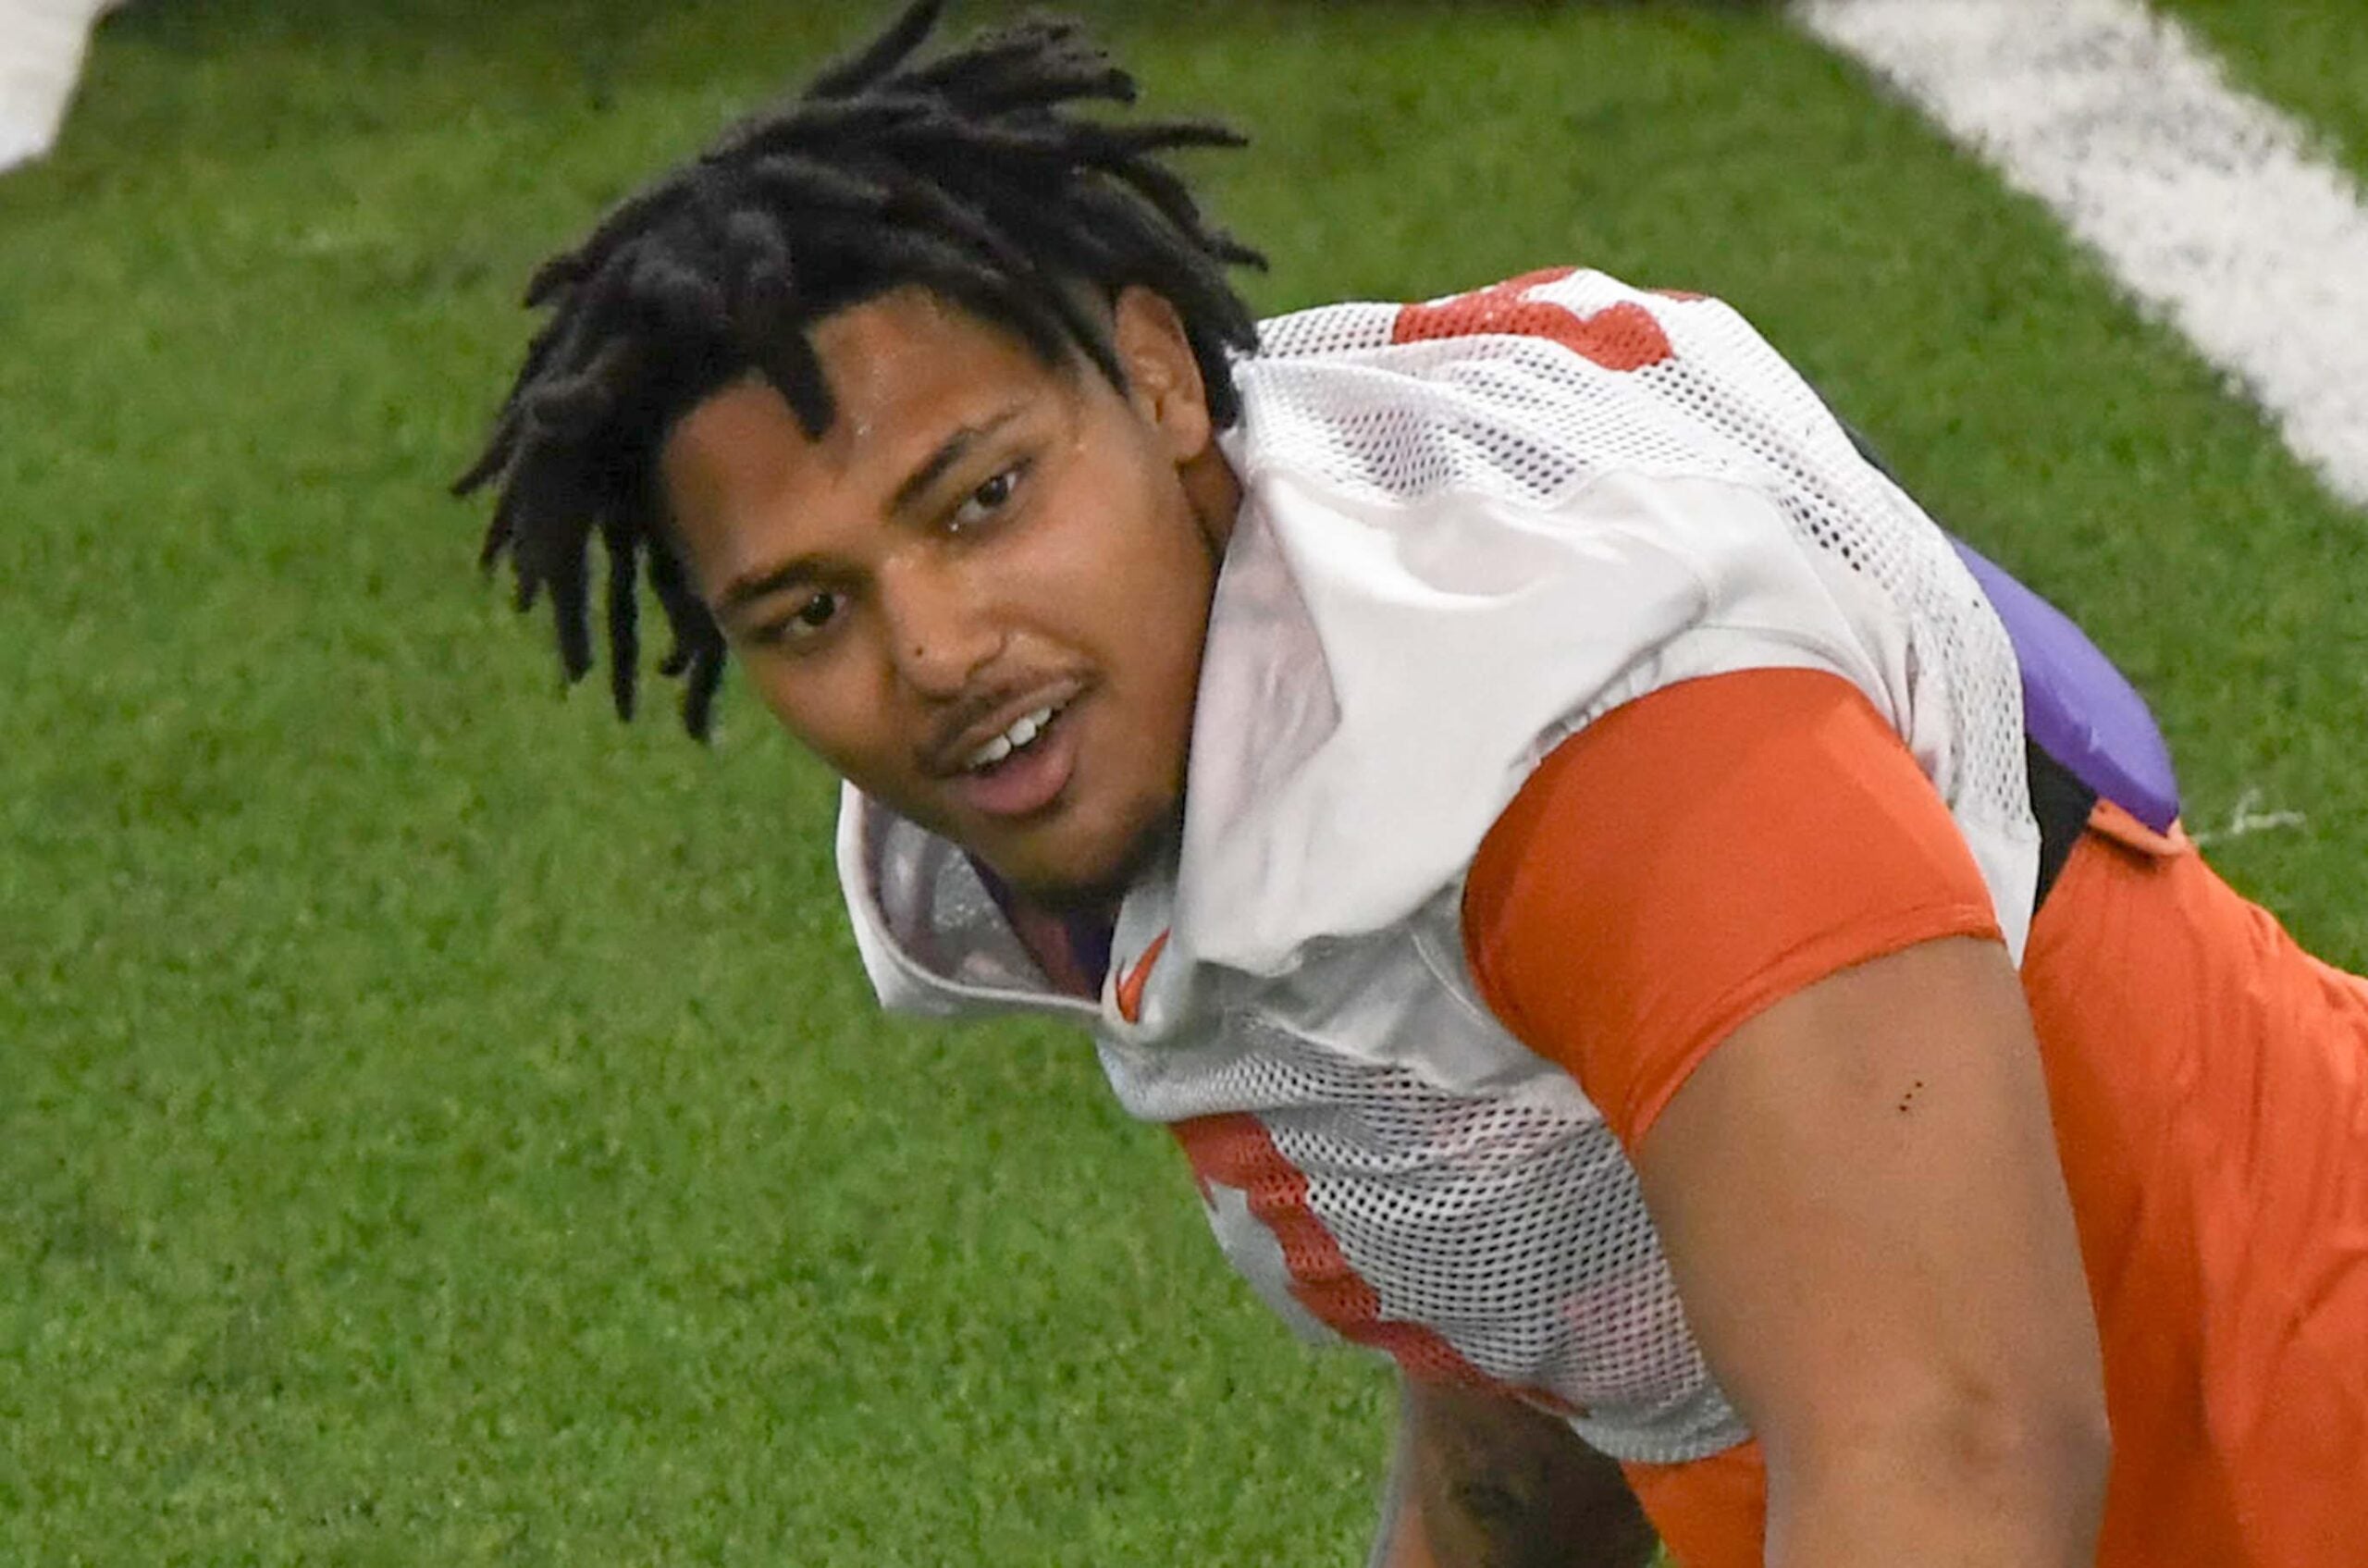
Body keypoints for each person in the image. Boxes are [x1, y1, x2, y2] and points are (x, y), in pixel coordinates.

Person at [454, 4, 2368, 1563]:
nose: (934, 646)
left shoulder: (1601, 732)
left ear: (1159, 380)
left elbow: (1954, 1453)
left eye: (982, 498)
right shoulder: (1197, 727)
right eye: (806, 609)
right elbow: (1532, 1252)